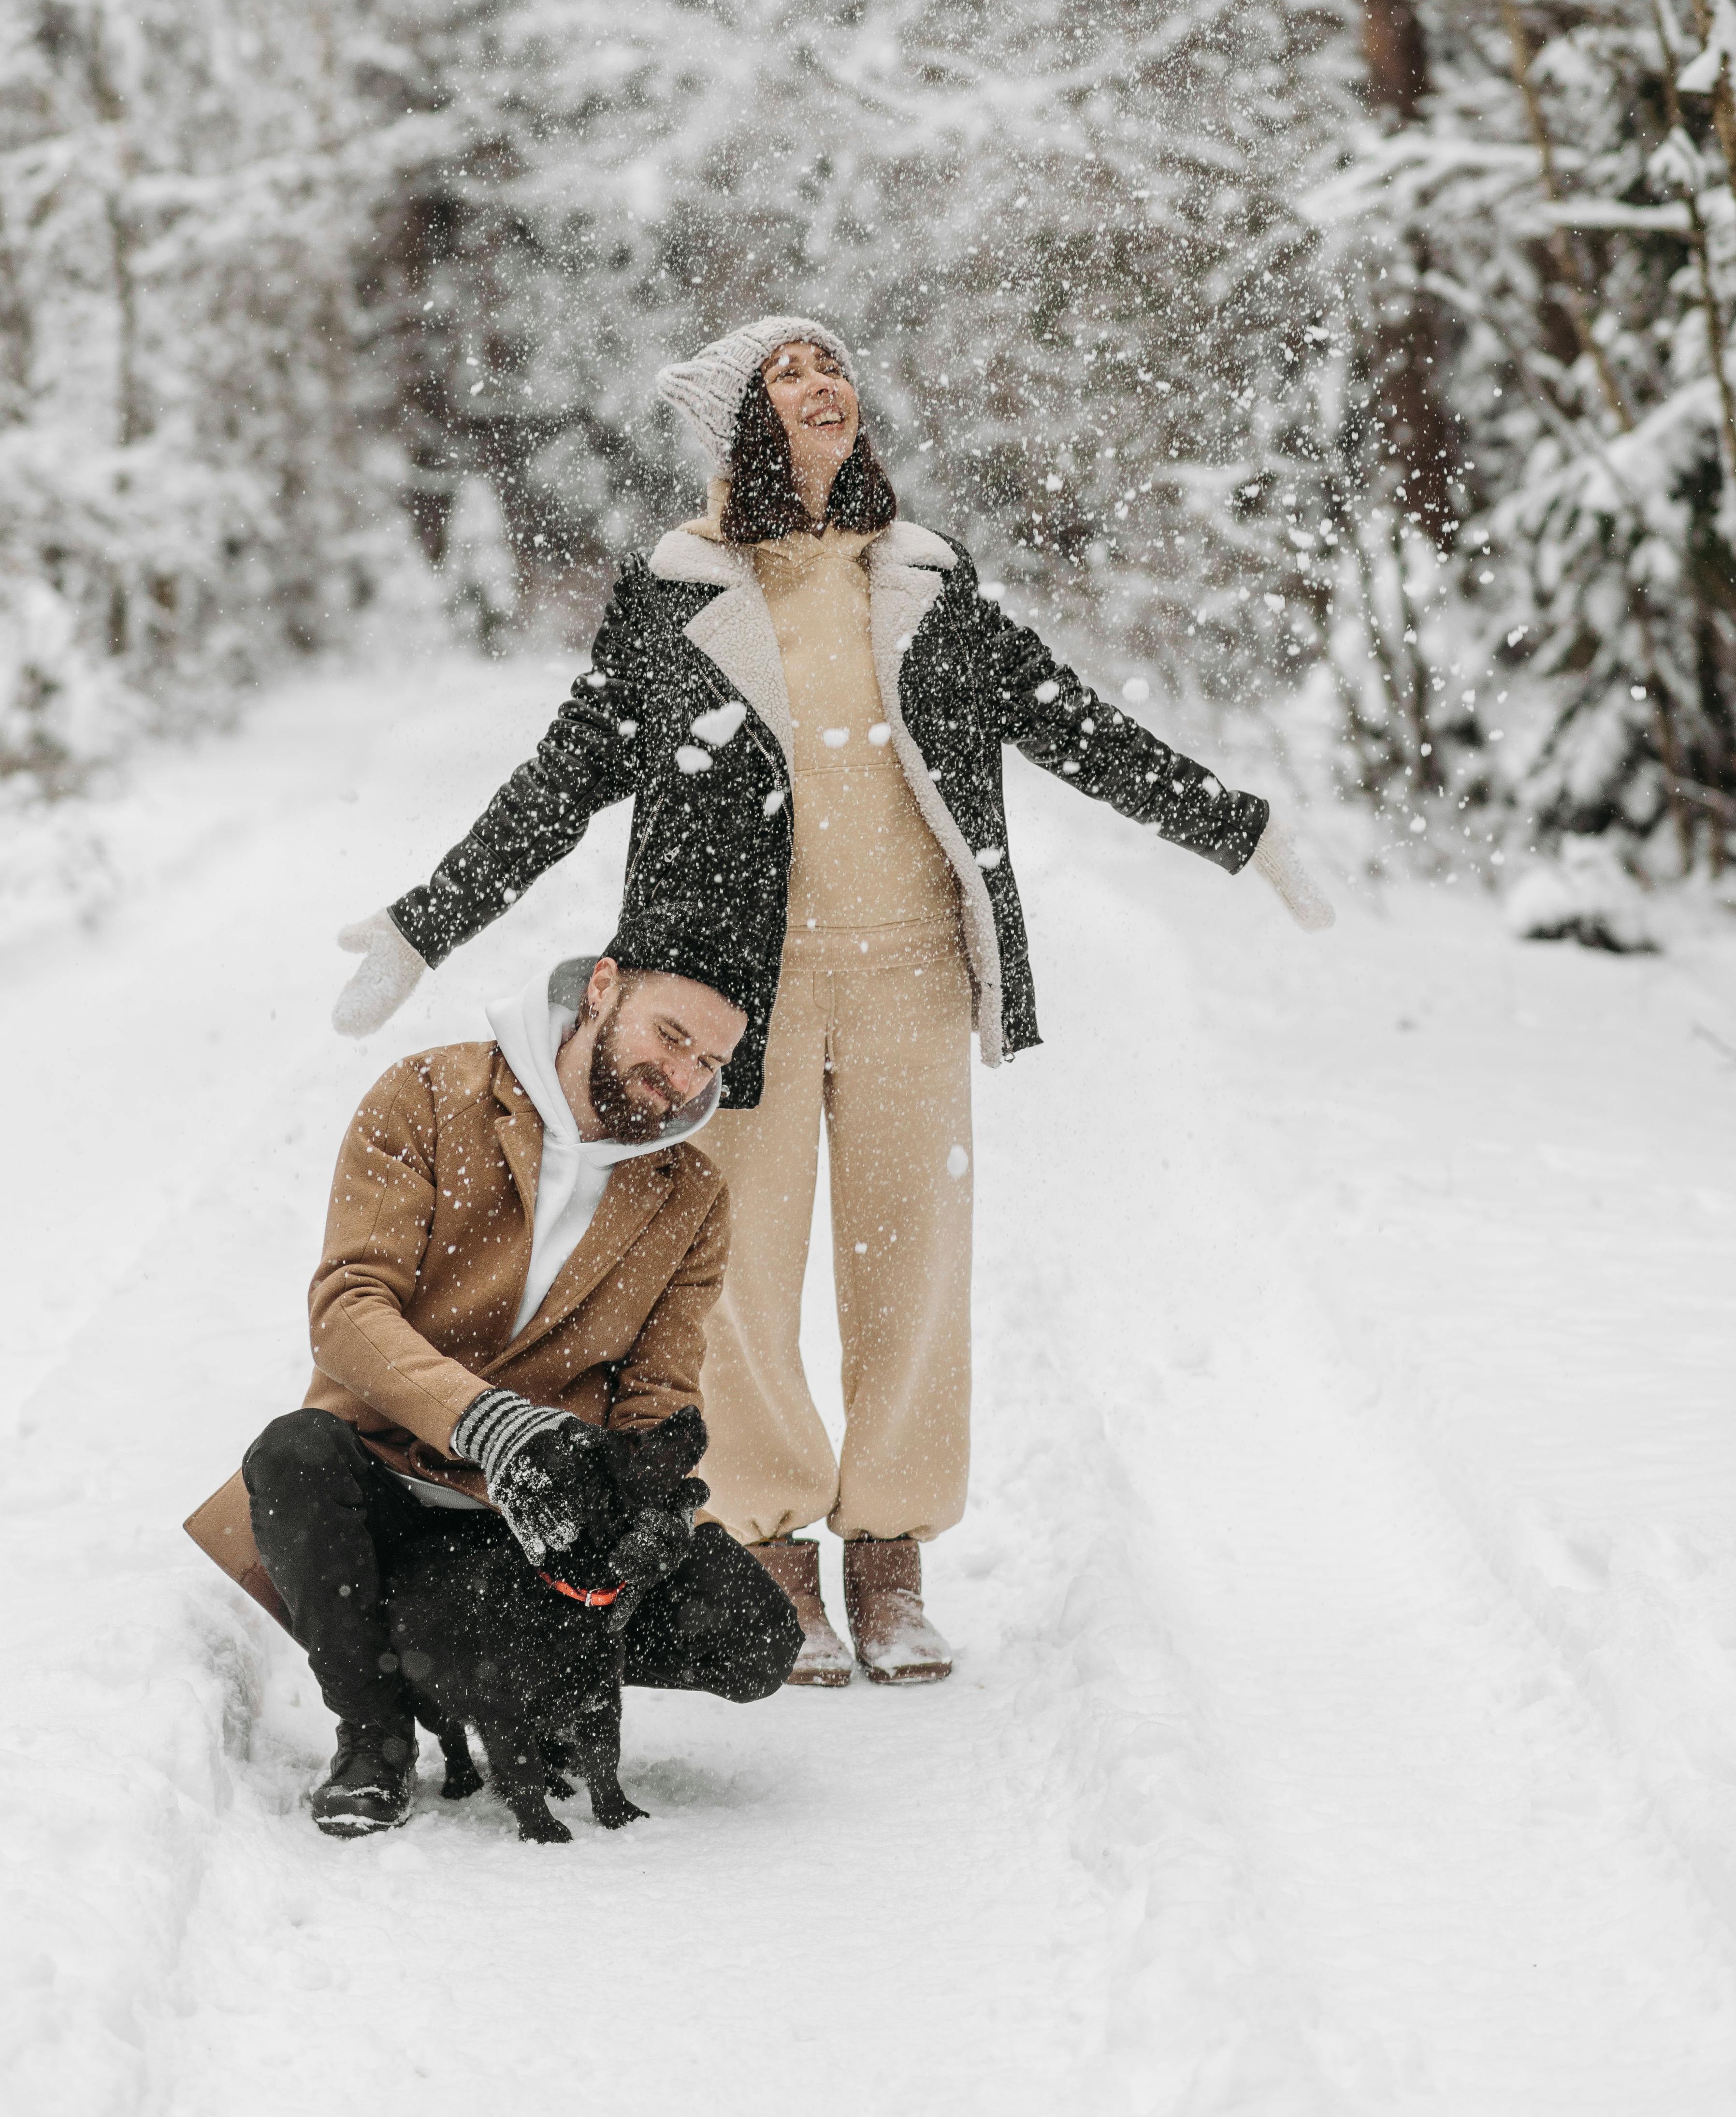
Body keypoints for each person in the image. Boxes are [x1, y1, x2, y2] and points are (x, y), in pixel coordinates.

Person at [333, 316, 1332, 1688]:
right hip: (724, 999)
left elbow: (1070, 719)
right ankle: (771, 1543)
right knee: (739, 1273)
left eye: (833, 364)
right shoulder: (674, 595)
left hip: (911, 973)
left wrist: (1239, 826)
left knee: (912, 1257)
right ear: (740, 421)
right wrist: (422, 923)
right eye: (787, 371)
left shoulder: (924, 578)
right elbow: (559, 783)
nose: (822, 383)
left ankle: (891, 1550)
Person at [187, 939, 802, 1835]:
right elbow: (348, 1309)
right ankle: (374, 1731)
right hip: (395, 1495)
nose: (680, 1080)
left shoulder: (692, 1195)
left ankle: (541, 1684)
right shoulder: (429, 1095)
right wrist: (490, 1425)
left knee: (756, 1639)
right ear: (602, 990)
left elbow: (657, 1389)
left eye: (709, 1062)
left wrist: (656, 1504)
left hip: (550, 1539)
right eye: (670, 1038)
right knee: (292, 1456)